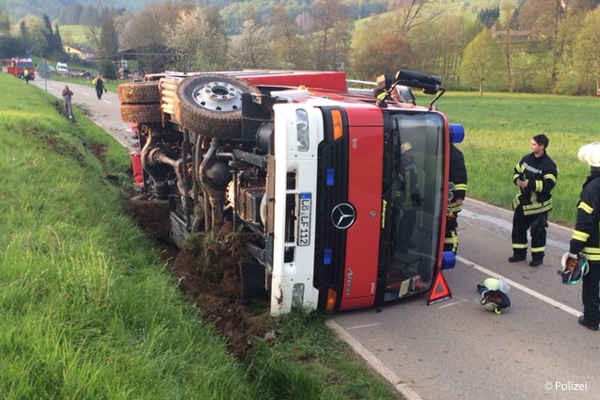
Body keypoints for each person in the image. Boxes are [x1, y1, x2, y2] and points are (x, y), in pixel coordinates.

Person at [509, 134, 557, 267]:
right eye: (531, 143)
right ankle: (519, 253)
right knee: (518, 228)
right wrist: (517, 180)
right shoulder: (526, 159)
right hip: (523, 202)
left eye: (534, 144)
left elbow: (549, 184)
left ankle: (537, 257)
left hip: (538, 205)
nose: (531, 146)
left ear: (542, 147)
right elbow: (516, 171)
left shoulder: (548, 164)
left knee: (538, 232)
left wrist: (530, 184)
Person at [567, 142, 600, 331]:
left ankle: (591, 319)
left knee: (591, 285)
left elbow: (584, 223)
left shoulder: (592, 188)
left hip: (595, 249)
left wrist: (574, 249)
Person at [396, 142, 421, 252]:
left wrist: (417, 199)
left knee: (412, 221)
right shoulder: (400, 164)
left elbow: (415, 180)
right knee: (403, 223)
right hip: (404, 198)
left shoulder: (412, 161)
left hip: (414, 196)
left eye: (410, 150)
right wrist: (397, 200)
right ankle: (400, 244)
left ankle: (407, 240)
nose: (410, 152)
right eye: (407, 151)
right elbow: (398, 184)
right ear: (403, 152)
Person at [444, 143, 468, 254]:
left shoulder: (455, 154)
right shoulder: (440, 150)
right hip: (443, 198)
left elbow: (460, 176)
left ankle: (451, 251)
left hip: (452, 200)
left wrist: (459, 196)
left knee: (449, 227)